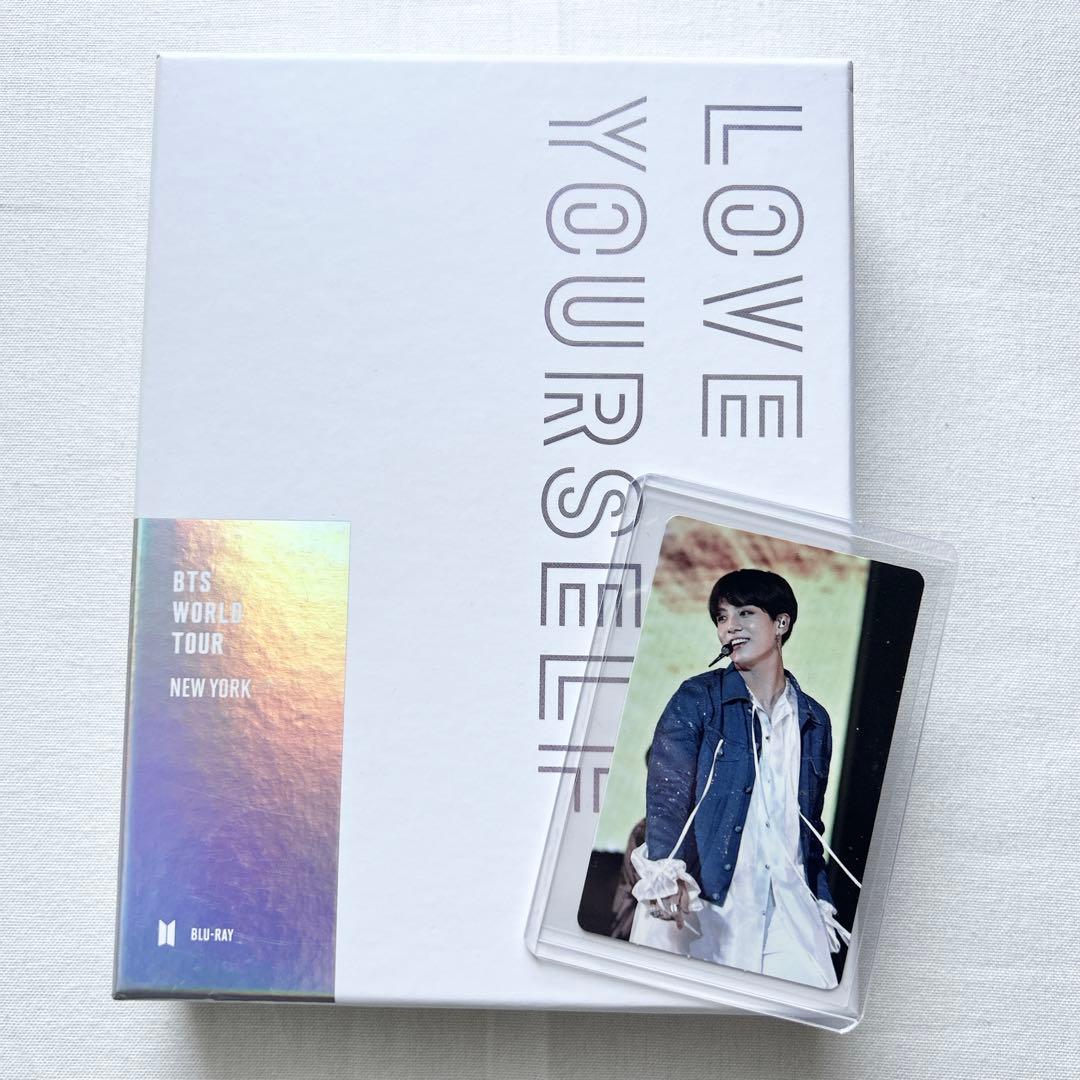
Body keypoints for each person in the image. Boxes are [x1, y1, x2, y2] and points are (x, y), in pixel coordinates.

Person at [628, 568, 850, 989]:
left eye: (745, 613)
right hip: (704, 904)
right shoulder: (697, 698)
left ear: (780, 623)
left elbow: (809, 826)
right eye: (721, 617)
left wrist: (819, 896)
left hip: (786, 907)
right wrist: (666, 873)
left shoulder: (814, 720)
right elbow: (667, 796)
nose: (729, 626)